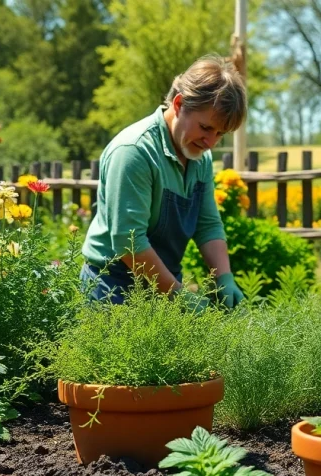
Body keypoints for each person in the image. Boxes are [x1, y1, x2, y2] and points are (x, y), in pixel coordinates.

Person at [80, 55, 246, 308]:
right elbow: (129, 241)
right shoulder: (134, 151)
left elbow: (208, 224)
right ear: (179, 104)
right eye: (205, 128)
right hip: (113, 287)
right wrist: (179, 295)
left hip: (164, 286)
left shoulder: (200, 158)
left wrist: (224, 277)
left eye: (220, 134)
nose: (210, 142)